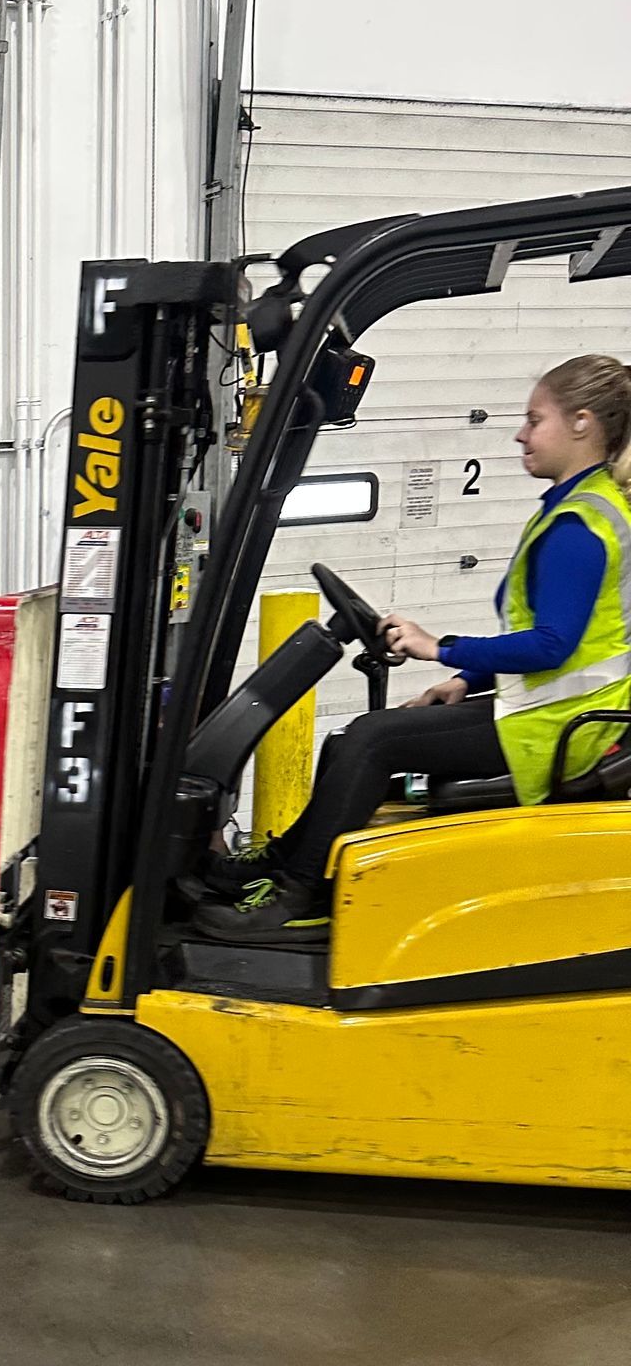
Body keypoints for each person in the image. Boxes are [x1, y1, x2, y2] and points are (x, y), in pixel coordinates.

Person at [194, 353, 631, 943]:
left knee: (372, 741)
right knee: (355, 739)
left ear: (582, 424)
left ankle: (302, 898)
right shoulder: (582, 507)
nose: (521, 433)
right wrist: (465, 682)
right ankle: (281, 866)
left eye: (534, 420)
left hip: (552, 733)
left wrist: (438, 648)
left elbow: (552, 646)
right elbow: (582, 650)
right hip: (553, 716)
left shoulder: (580, 525)